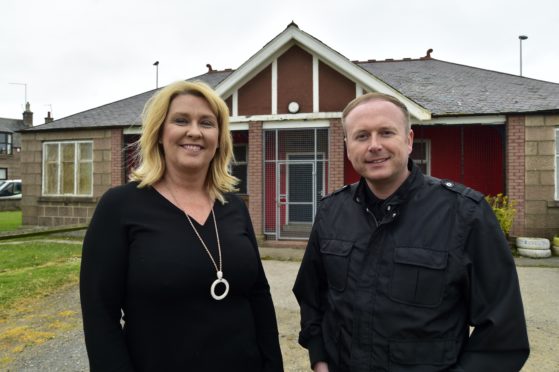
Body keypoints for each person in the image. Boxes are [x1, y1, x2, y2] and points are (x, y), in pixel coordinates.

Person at [293, 92, 529, 371]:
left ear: (409, 140)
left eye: (386, 132)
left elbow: (502, 332)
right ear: (347, 147)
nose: (374, 145)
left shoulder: (465, 215)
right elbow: (312, 296)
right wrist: (319, 358)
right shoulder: (331, 212)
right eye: (361, 136)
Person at [80, 80, 283, 372]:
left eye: (207, 123)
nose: (195, 132)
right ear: (160, 133)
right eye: (180, 120)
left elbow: (258, 296)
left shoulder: (234, 206)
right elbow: (100, 315)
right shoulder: (120, 207)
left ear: (219, 139)